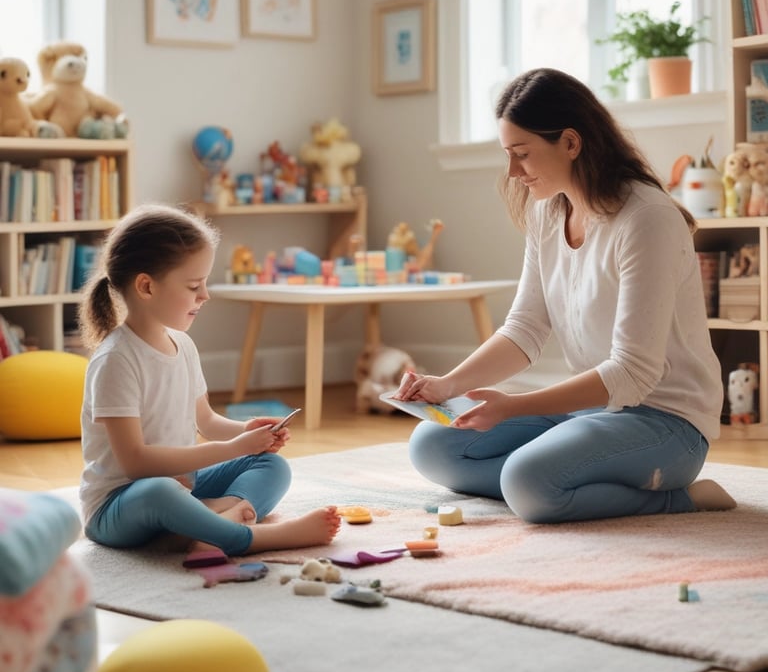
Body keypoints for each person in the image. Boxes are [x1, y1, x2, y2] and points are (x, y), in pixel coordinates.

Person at [397, 67, 735, 523]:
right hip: (589, 411)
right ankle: (556, 481)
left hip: (665, 422)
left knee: (527, 482)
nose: (514, 172)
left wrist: (514, 407)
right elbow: (525, 329)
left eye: (523, 154)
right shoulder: (547, 213)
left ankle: (679, 497)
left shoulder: (647, 219)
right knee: (432, 446)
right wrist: (446, 386)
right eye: (508, 155)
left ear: (571, 143)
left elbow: (633, 373)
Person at [78, 203, 340, 555]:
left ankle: (216, 520)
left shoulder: (182, 345)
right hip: (120, 505)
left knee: (270, 464)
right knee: (160, 491)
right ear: (146, 286)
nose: (205, 295)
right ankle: (248, 536)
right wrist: (231, 449)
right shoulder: (116, 360)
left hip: (183, 486)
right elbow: (135, 462)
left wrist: (247, 433)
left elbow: (206, 420)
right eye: (193, 285)